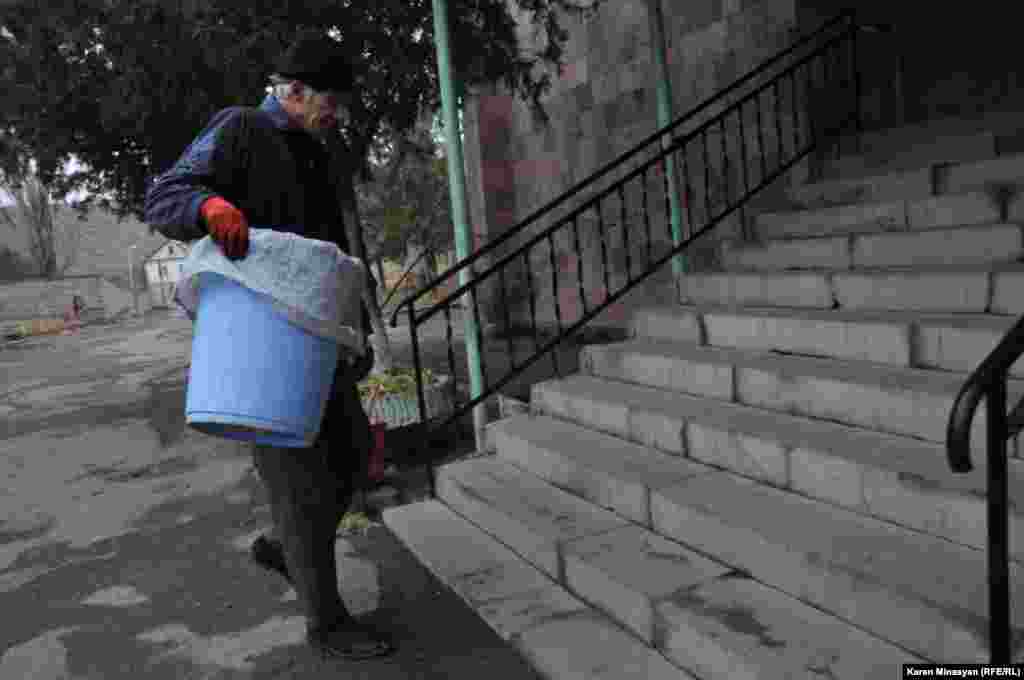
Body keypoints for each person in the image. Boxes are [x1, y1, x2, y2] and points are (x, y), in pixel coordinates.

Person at [143, 31, 393, 661]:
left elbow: (333, 255)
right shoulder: (241, 128)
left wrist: (357, 333)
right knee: (300, 484)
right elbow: (166, 196)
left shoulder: (316, 152)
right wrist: (210, 205)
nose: (337, 114)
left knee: (354, 455)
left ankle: (286, 548)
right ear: (294, 90)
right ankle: (327, 623)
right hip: (264, 341)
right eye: (330, 102)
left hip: (319, 336)